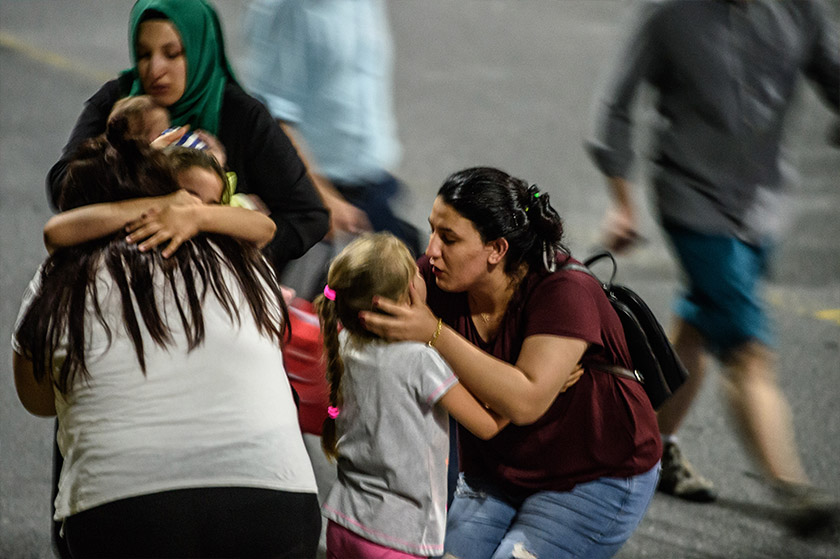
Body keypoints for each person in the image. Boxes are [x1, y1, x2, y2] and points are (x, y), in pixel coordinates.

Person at [585, 0, 839, 530]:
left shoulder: (799, 10)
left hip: (764, 206)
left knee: (700, 323)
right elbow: (613, 108)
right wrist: (622, 201)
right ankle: (791, 486)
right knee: (748, 351)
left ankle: (646, 448)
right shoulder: (668, 13)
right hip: (692, 200)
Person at [13, 125, 321, 558]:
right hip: (275, 501)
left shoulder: (60, 277)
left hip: (124, 510)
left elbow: (38, 398)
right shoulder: (239, 258)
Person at [361, 167, 661, 559]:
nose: (431, 249)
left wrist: (434, 333)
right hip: (499, 470)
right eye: (432, 230)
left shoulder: (565, 291)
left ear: (497, 249)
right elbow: (365, 312)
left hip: (596, 474)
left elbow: (524, 402)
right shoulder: (434, 279)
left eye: (448, 238)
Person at [46, 0, 329, 273]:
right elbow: (63, 189)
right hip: (122, 272)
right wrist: (134, 161)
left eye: (172, 54)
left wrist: (227, 254)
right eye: (144, 54)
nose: (155, 70)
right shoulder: (119, 103)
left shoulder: (241, 116)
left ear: (199, 50)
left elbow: (308, 217)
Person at [313, 232, 508, 558]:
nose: (423, 273)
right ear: (406, 297)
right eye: (415, 273)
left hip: (343, 522)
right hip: (397, 536)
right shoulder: (420, 359)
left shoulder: (345, 344)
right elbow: (486, 424)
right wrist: (535, 390)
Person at [241, 0, 421, 300]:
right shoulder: (288, 9)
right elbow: (271, 113)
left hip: (371, 187)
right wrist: (321, 200)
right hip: (322, 198)